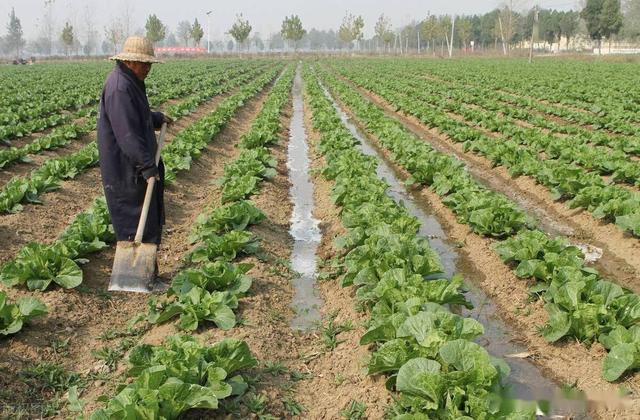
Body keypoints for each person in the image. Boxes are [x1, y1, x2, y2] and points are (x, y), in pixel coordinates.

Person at [97, 36, 172, 282]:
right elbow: (127, 133)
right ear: (129, 61)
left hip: (135, 166)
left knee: (147, 217)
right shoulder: (120, 87)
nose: (148, 68)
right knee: (134, 221)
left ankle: (148, 275)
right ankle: (137, 279)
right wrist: (147, 166)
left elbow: (137, 115)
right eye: (144, 63)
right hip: (126, 169)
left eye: (150, 63)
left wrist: (156, 118)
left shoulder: (130, 82)